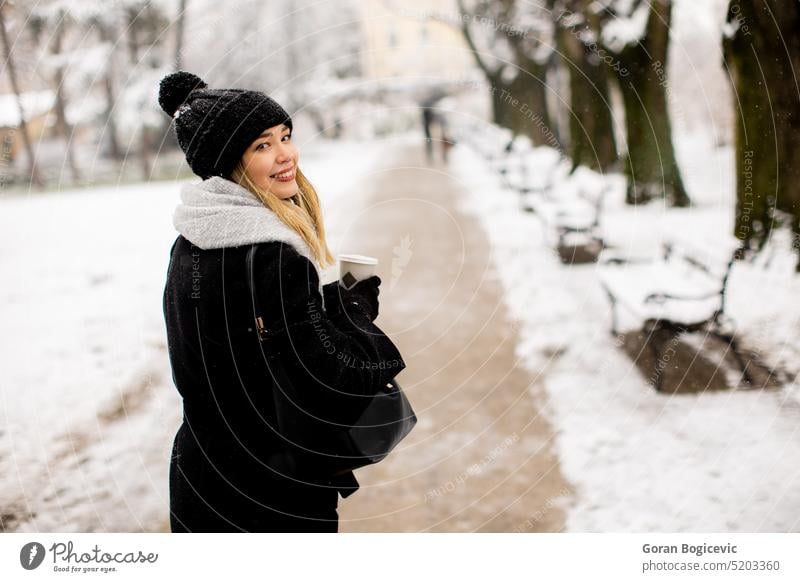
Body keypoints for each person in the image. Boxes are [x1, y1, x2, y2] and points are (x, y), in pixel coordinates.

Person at [157, 71, 406, 532]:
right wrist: (353, 308)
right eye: (261, 146)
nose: (286, 154)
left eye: (285, 137)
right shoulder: (273, 256)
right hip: (273, 490)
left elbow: (241, 359)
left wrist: (324, 304)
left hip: (202, 473)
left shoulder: (189, 242)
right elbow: (333, 377)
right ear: (227, 161)